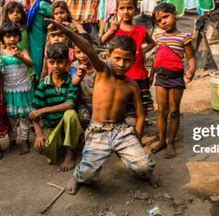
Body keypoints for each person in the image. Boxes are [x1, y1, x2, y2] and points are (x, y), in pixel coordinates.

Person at [46, 18, 160, 195]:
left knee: (144, 166)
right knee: (88, 175)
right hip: (98, 130)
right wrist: (67, 32)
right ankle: (77, 176)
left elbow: (140, 114)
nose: (122, 64)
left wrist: (136, 137)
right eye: (117, 58)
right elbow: (89, 49)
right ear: (108, 57)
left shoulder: (132, 85)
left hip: (121, 130)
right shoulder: (103, 71)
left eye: (127, 60)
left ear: (134, 58)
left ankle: (143, 171)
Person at [150, 3, 196, 159]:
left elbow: (190, 57)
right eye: (159, 20)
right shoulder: (158, 37)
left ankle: (171, 143)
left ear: (175, 14)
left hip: (176, 78)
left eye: (166, 16)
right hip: (161, 78)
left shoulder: (184, 37)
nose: (163, 21)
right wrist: (151, 75)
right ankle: (162, 140)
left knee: (174, 111)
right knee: (161, 111)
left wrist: (191, 70)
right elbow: (156, 59)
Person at [29, 43, 84, 172]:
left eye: (60, 62)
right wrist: (38, 134)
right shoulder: (44, 84)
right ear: (47, 62)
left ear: (67, 63)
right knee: (44, 150)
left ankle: (71, 152)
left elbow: (69, 104)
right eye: (52, 62)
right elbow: (33, 111)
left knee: (70, 114)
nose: (55, 66)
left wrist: (42, 110)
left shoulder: (72, 81)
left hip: (67, 123)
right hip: (52, 125)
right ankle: (59, 141)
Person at [100, 0, 155, 117]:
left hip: (139, 74)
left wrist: (143, 51)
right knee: (120, 106)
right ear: (116, 10)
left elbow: (152, 43)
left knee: (140, 107)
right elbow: (102, 41)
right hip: (120, 74)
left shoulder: (141, 30)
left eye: (130, 8)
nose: (126, 11)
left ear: (135, 10)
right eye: (122, 8)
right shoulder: (114, 29)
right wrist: (110, 31)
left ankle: (139, 128)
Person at [0, 21, 34, 155]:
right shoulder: (1, 54)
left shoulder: (23, 51)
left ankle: (25, 141)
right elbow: (1, 74)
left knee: (24, 117)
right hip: (8, 91)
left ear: (19, 37)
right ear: (2, 38)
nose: (12, 39)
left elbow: (30, 64)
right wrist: (1, 92)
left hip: (23, 89)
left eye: (15, 36)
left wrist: (20, 57)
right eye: (8, 36)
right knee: (11, 118)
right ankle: (12, 140)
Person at [21, 0, 52, 82]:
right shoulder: (31, 8)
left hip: (40, 40)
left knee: (39, 65)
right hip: (32, 41)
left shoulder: (42, 4)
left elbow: (55, 14)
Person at [70, 33, 96, 129]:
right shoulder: (74, 67)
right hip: (83, 102)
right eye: (78, 52)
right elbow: (74, 81)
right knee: (84, 119)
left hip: (98, 101)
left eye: (85, 51)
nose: (82, 55)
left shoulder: (100, 65)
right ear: (74, 52)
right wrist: (80, 75)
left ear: (92, 49)